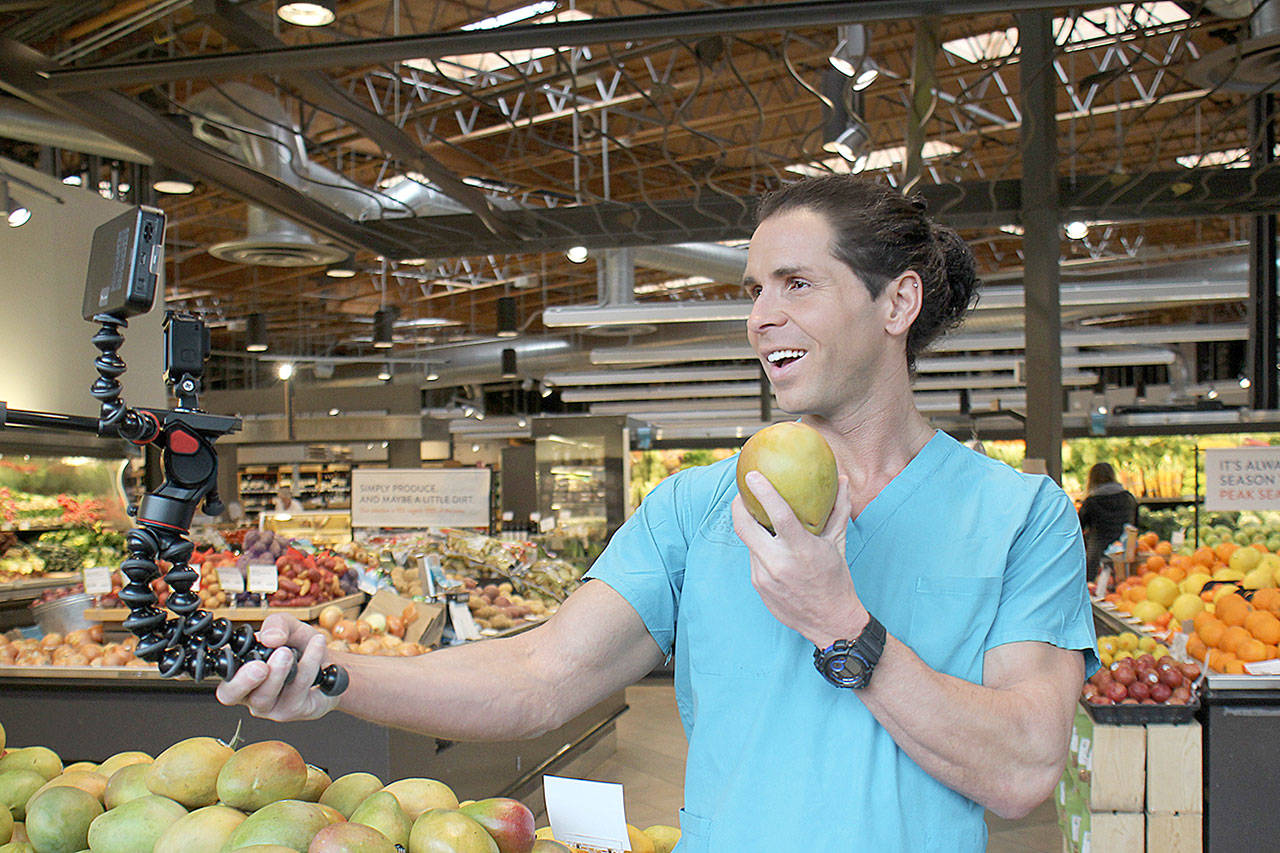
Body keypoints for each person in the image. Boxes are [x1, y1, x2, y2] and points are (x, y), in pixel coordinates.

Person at [216, 175, 1097, 851]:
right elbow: (539, 675)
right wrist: (335, 678)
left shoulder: (1020, 514)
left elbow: (1022, 766)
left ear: (896, 302)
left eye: (796, 284)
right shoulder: (695, 506)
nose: (761, 318)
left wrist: (840, 622)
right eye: (754, 289)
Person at [1078, 462, 1138, 582]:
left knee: (1095, 590)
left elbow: (1079, 528)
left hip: (1097, 556)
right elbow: (1135, 525)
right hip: (1124, 555)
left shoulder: (1091, 502)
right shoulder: (1128, 498)